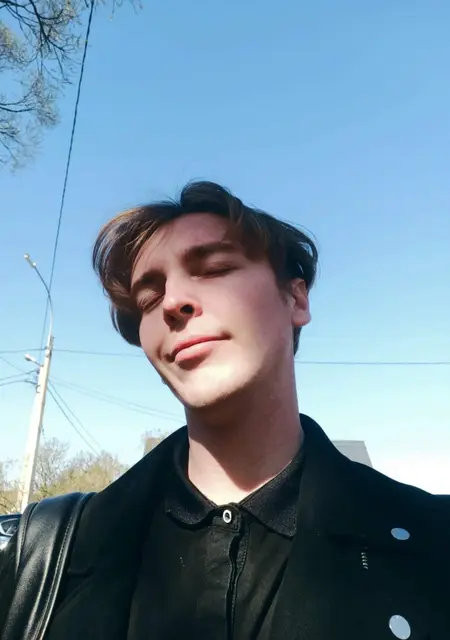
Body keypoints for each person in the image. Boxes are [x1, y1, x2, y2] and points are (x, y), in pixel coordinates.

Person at [0, 181, 449, 640]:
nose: (171, 303)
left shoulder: (434, 540)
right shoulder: (51, 551)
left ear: (296, 299)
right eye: (149, 298)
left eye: (214, 269)